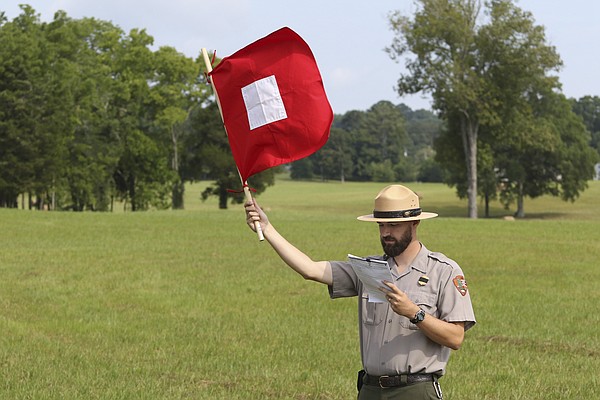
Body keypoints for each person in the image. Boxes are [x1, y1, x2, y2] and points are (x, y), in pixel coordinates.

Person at [244, 184, 476, 399]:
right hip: (370, 390)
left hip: (415, 390)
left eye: (393, 225)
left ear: (414, 223)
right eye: (381, 225)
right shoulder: (368, 270)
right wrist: (267, 228)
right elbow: (310, 269)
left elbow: (455, 338)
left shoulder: (444, 271)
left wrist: (415, 313)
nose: (385, 232)